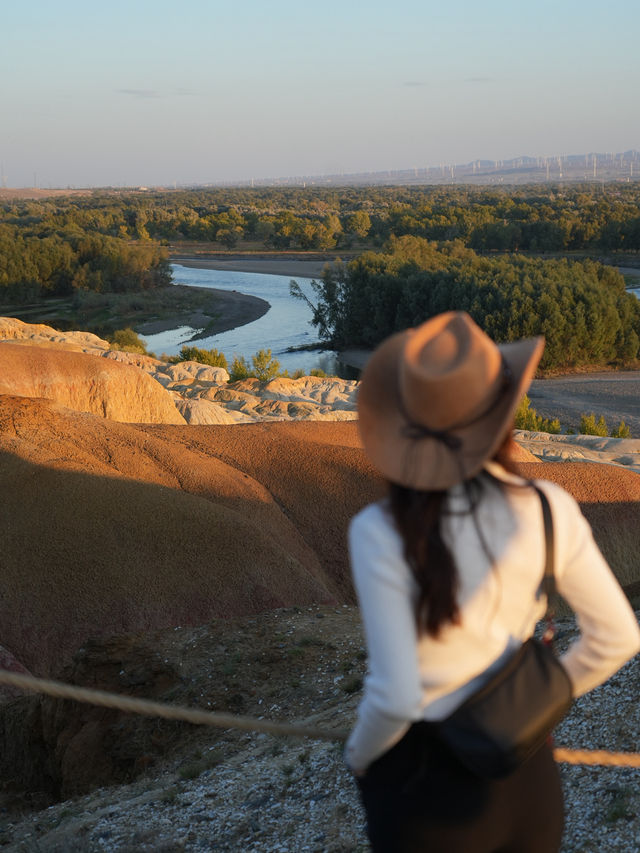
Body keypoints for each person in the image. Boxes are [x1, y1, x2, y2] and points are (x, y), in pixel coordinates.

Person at [345, 311, 640, 852]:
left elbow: (396, 696)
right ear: (501, 416)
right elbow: (618, 637)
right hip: (528, 780)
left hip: (428, 793)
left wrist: (359, 756)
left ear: (402, 427)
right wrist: (534, 704)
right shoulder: (548, 506)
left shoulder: (380, 531)